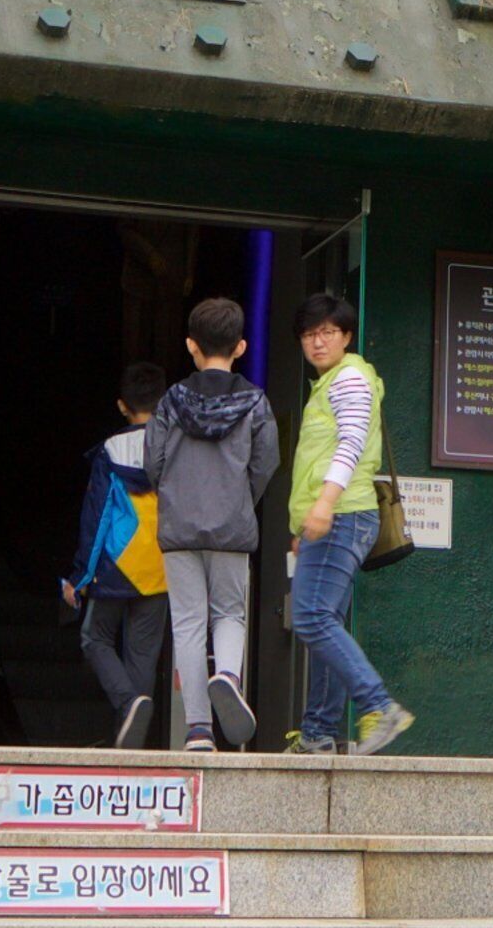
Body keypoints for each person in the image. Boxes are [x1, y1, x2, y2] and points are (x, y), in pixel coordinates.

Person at [286, 290, 413, 754]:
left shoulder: (350, 380)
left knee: (312, 616)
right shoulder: (329, 383)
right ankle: (318, 732)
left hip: (341, 514)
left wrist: (324, 504)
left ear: (346, 337)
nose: (318, 342)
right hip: (328, 519)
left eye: (328, 332)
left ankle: (380, 707)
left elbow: (352, 442)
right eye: (309, 334)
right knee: (326, 619)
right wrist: (306, 523)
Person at [148, 298, 276, 753]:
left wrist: (177, 498)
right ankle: (228, 674)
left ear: (190, 346)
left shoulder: (169, 401)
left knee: (186, 623)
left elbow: (154, 464)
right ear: (240, 347)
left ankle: (198, 730)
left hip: (179, 527)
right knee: (229, 613)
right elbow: (265, 464)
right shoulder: (255, 403)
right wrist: (240, 502)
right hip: (231, 527)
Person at [62, 359, 169, 750]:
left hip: (115, 565)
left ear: (122, 406)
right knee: (143, 655)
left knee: (94, 638)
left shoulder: (110, 451)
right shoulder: (175, 447)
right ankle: (132, 748)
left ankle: (128, 705)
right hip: (162, 567)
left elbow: (97, 516)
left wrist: (80, 576)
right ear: (164, 406)